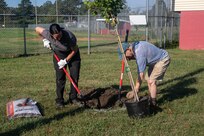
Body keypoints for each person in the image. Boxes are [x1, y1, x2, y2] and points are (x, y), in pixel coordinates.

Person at [35, 24, 81, 109]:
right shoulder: (48, 34)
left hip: (73, 54)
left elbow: (75, 50)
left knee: (74, 76)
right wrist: (44, 39)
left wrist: (65, 61)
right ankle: (60, 100)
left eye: (59, 36)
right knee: (60, 78)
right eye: (55, 37)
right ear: (51, 35)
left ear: (61, 31)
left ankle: (73, 98)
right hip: (59, 54)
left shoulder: (69, 37)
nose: (58, 38)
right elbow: (37, 28)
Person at [124, 41, 170, 111]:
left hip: (162, 59)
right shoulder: (134, 46)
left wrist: (136, 89)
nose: (128, 59)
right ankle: (151, 98)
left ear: (128, 49)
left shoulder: (139, 52)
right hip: (155, 61)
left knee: (152, 81)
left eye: (126, 56)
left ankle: (153, 103)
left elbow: (140, 74)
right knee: (148, 80)